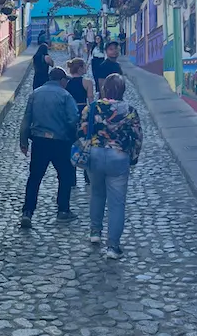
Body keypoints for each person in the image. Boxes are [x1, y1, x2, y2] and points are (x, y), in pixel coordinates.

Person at [79, 73, 142, 259]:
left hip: (96, 155)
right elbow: (137, 137)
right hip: (119, 156)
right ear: (122, 90)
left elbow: (81, 130)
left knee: (97, 194)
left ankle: (95, 232)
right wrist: (134, 158)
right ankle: (113, 247)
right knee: (116, 203)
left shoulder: (92, 108)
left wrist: (86, 148)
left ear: (104, 88)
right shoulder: (129, 110)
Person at [20, 67, 79, 228]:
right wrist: (75, 138)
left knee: (35, 178)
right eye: (65, 81)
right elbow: (73, 119)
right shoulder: (65, 95)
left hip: (39, 142)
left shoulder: (35, 93)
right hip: (60, 142)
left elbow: (26, 119)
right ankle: (63, 210)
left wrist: (23, 141)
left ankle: (27, 212)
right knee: (65, 176)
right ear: (61, 80)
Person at [66, 58, 94, 188]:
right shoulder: (87, 82)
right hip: (84, 113)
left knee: (71, 144)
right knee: (86, 144)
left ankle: (71, 178)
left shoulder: (66, 83)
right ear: (80, 68)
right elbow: (91, 101)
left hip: (70, 114)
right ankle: (88, 176)